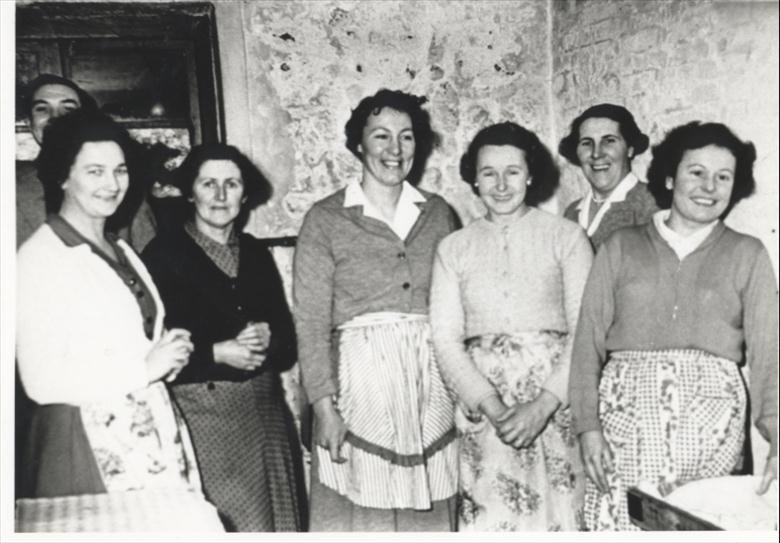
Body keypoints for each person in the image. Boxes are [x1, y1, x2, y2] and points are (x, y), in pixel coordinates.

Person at [569, 121, 778, 531]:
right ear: (669, 176)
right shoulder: (621, 246)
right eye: (696, 172)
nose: (709, 186)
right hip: (624, 424)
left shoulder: (748, 254)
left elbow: (771, 353)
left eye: (723, 177)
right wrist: (587, 427)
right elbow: (587, 343)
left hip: (711, 429)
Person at [293, 89, 459, 531]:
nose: (394, 150)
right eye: (381, 136)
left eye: (406, 137)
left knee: (430, 508)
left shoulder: (439, 214)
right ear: (359, 144)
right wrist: (324, 407)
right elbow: (309, 323)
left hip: (430, 383)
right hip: (358, 383)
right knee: (360, 512)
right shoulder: (325, 219)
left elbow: (457, 307)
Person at [16, 109, 201, 498]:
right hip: (85, 444)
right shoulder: (39, 259)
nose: (112, 184)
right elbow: (40, 382)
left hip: (145, 433)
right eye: (94, 171)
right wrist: (145, 367)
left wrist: (166, 353)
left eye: (120, 170)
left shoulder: (120, 247)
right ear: (63, 176)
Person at [430, 122, 592, 531]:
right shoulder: (453, 249)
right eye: (488, 173)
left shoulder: (567, 237)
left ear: (531, 174)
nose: (501, 185)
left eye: (513, 172)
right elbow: (446, 339)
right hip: (485, 411)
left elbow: (587, 333)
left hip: (556, 402)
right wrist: (491, 406)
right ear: (474, 179)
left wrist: (543, 405)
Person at [142, 143, 306, 532]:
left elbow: (285, 349)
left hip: (265, 419)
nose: (219, 195)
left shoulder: (254, 253)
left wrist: (269, 337)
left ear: (245, 194)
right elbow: (150, 353)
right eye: (208, 183)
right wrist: (217, 353)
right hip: (205, 423)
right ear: (189, 191)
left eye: (231, 184)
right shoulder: (162, 255)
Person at [558, 103, 657, 248]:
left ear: (629, 149)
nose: (596, 153)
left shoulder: (652, 203)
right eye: (587, 143)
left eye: (609, 141)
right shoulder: (572, 213)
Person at [17, 74, 98, 247]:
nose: (55, 117)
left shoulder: (118, 181)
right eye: (42, 109)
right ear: (29, 123)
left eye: (68, 109)